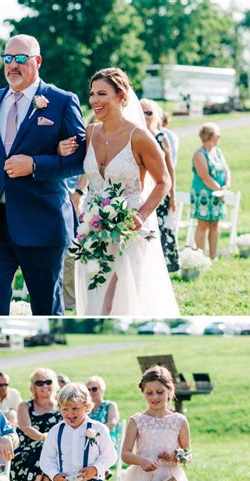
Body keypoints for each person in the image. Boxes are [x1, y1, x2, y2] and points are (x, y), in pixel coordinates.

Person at [0, 34, 86, 316]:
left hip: (43, 222)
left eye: (20, 59)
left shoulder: (61, 101)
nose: (12, 65)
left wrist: (36, 165)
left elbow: (80, 159)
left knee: (45, 307)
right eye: (7, 58)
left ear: (37, 61)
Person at [60, 67, 179, 316]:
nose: (94, 100)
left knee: (124, 299)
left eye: (102, 93)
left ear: (121, 95)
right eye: (92, 94)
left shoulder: (140, 137)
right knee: (95, 297)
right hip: (92, 230)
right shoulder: (89, 133)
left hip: (129, 230)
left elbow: (163, 182)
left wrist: (141, 215)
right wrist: (60, 149)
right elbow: (70, 163)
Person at [11, 369, 62, 481]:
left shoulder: (62, 407)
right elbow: (26, 428)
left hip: (55, 452)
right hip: (26, 452)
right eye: (40, 383)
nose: (44, 386)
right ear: (33, 386)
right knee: (43, 449)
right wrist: (43, 437)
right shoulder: (25, 406)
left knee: (46, 457)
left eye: (48, 382)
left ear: (55, 384)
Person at [141, 98, 179, 273]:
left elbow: (169, 167)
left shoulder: (161, 137)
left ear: (156, 115)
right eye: (142, 111)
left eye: (149, 112)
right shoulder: (133, 135)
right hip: (141, 192)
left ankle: (163, 268)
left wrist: (172, 194)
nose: (145, 116)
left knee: (162, 228)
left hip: (159, 190)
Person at [191, 123, 231, 260]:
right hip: (203, 195)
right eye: (217, 134)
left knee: (215, 224)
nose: (220, 137)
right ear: (210, 136)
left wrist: (225, 186)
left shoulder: (218, 152)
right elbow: (205, 176)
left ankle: (213, 256)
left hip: (218, 195)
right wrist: (219, 190)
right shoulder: (199, 154)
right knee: (203, 224)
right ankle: (200, 256)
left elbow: (226, 170)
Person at [86, 375, 119, 440]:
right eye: (88, 389)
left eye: (94, 389)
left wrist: (95, 434)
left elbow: (112, 423)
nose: (91, 392)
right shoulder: (86, 407)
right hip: (88, 442)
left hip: (106, 441)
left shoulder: (110, 405)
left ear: (102, 389)